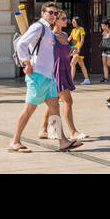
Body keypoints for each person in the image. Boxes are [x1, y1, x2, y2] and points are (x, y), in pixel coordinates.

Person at [8, 1, 82, 153]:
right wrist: (26, 63)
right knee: (29, 109)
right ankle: (15, 141)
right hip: (37, 75)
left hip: (48, 76)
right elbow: (21, 43)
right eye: (50, 12)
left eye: (55, 13)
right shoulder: (38, 27)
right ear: (43, 13)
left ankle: (63, 141)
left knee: (54, 106)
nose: (53, 15)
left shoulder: (47, 30)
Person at [40, 10, 88, 141]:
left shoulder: (65, 34)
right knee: (68, 101)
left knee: (53, 102)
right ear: (55, 20)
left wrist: (73, 51)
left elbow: (65, 52)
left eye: (66, 18)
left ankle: (43, 129)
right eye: (63, 18)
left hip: (65, 69)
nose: (66, 20)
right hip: (56, 72)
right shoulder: (51, 36)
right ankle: (73, 132)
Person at [69, 15, 91, 85]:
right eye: (72, 22)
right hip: (74, 48)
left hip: (78, 49)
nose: (72, 23)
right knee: (81, 64)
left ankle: (71, 80)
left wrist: (79, 48)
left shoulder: (81, 29)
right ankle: (87, 79)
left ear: (77, 22)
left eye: (73, 22)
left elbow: (82, 40)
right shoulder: (73, 30)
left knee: (72, 63)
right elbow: (72, 40)